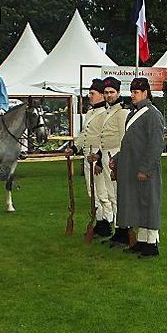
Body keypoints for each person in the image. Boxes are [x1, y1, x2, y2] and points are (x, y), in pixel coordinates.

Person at [110, 78, 165, 258]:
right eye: (132, 92)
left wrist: (145, 169)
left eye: (136, 92)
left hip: (145, 169)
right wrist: (117, 159)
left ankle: (152, 243)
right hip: (131, 166)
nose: (132, 95)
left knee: (149, 203)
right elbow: (129, 143)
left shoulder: (153, 114)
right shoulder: (132, 113)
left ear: (145, 93)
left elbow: (156, 145)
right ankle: (141, 240)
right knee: (137, 204)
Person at [70, 78, 109, 232]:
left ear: (101, 95)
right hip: (87, 156)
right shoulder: (91, 112)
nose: (89, 96)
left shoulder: (105, 113)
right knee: (91, 191)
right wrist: (75, 148)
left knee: (102, 191)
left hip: (98, 156)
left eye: (92, 93)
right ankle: (99, 220)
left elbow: (106, 137)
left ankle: (107, 221)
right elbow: (84, 134)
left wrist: (99, 159)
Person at [98, 77, 127, 239]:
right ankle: (118, 228)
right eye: (106, 92)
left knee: (116, 195)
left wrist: (117, 160)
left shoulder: (121, 113)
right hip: (106, 155)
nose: (108, 95)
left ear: (118, 93)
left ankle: (121, 229)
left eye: (111, 92)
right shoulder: (108, 111)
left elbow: (123, 139)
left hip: (115, 156)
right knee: (110, 195)